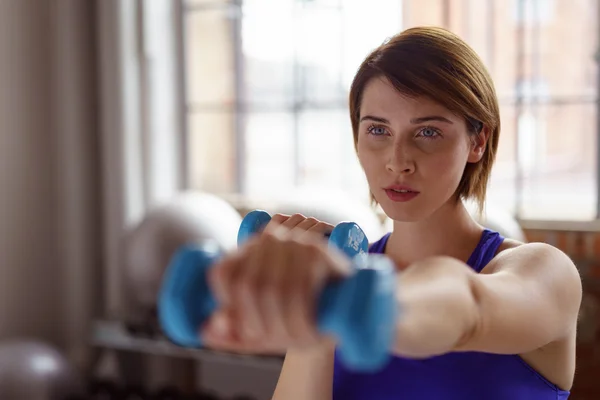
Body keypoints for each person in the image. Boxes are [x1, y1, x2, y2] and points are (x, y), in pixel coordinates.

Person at [200, 26, 582, 400]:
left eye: (428, 132)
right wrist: (314, 306)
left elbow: (468, 309)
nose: (398, 161)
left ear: (477, 141)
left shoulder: (545, 273)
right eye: (378, 130)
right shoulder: (339, 280)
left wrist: (357, 297)